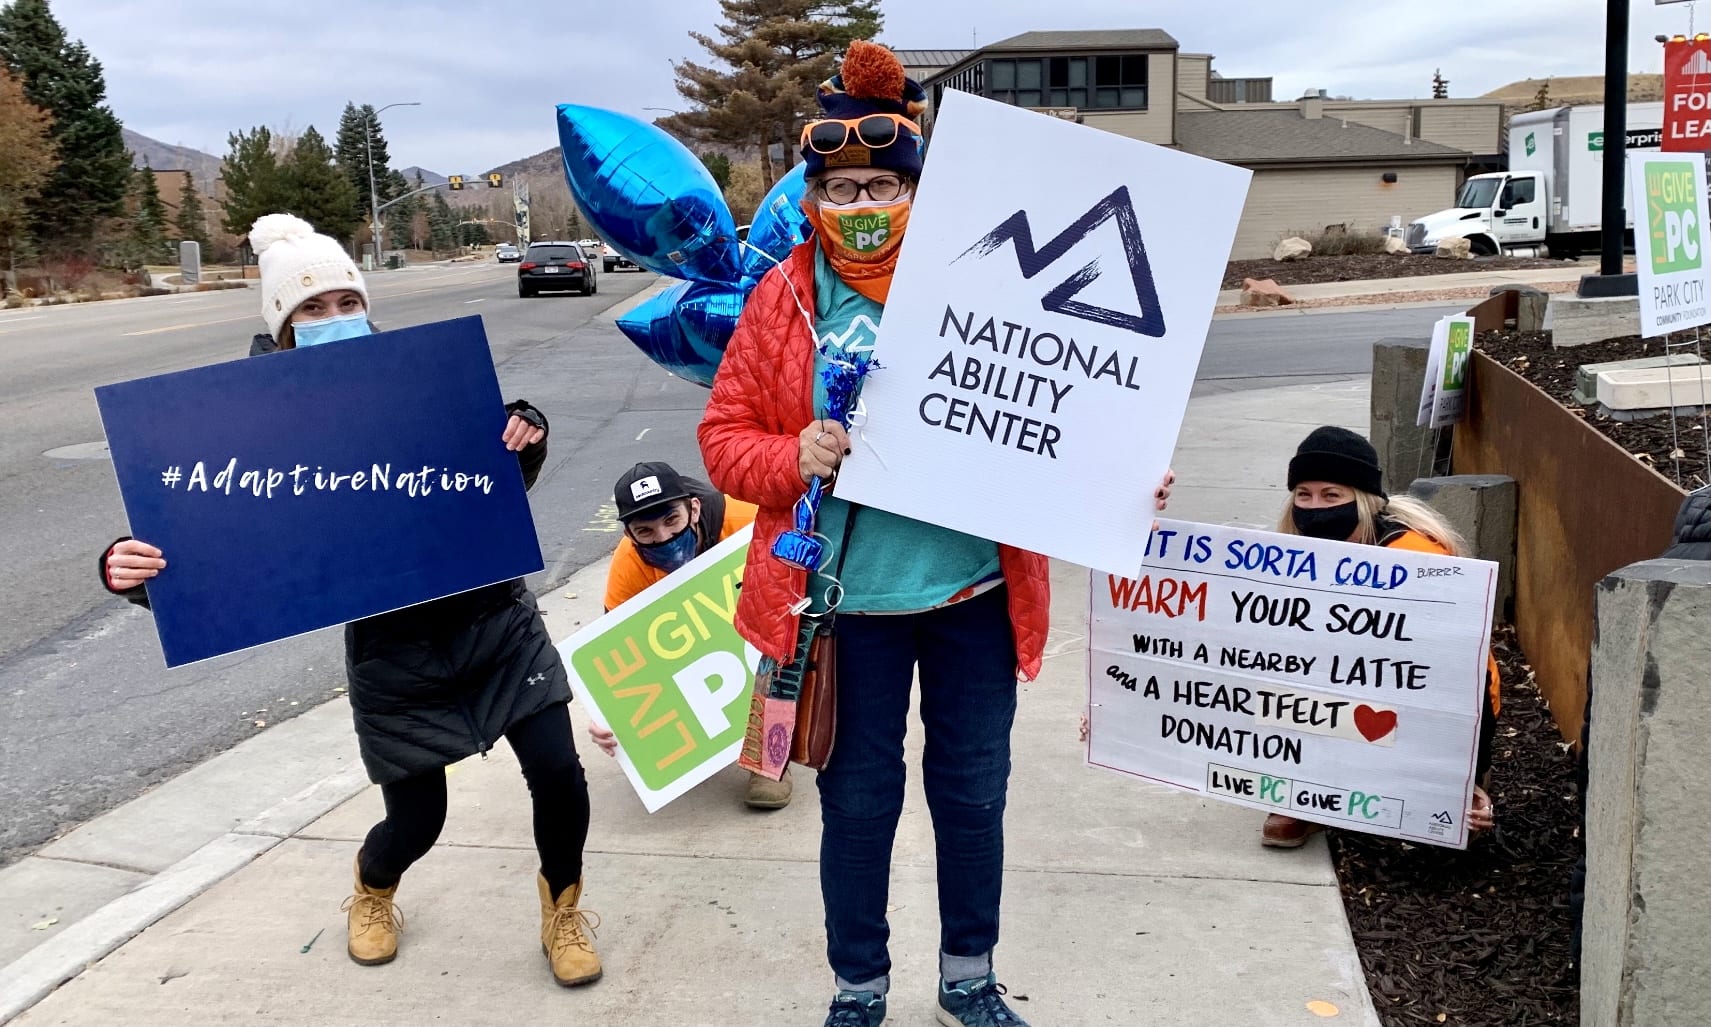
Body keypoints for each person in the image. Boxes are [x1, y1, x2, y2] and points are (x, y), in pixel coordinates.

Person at [698, 40, 1169, 1027]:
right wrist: (794, 457)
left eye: (878, 182)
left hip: (972, 599)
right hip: (845, 607)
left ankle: (969, 978)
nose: (859, 202)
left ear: (912, 184)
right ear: (812, 196)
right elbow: (725, 440)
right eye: (838, 187)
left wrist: (1124, 479)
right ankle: (858, 989)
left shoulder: (984, 274)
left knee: (971, 797)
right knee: (858, 808)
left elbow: (1059, 401)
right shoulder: (781, 299)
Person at [98, 213, 603, 987]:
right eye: (311, 308)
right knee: (417, 818)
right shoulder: (244, 426)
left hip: (495, 623)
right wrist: (127, 568)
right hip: (393, 655)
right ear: (282, 326)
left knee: (559, 775)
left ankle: (562, 906)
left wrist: (524, 432)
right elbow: (217, 552)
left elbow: (486, 490)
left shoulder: (419, 382)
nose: (335, 319)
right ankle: (372, 887)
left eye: (345, 302)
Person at [1261, 425, 1499, 848]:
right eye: (1304, 495)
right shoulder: (1290, 554)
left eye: (1332, 495)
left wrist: (1464, 771)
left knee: (1436, 822)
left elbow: (1464, 673)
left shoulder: (1415, 557)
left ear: (1364, 499)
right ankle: (1301, 790)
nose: (1315, 507)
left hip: (1435, 699)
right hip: (1342, 689)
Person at [587, 461, 786, 808]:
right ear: (628, 534)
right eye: (645, 532)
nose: (663, 538)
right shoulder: (628, 564)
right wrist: (607, 718)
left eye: (671, 520)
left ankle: (770, 756)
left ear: (693, 508)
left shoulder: (747, 522)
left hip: (757, 620)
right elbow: (618, 649)